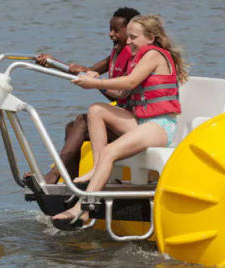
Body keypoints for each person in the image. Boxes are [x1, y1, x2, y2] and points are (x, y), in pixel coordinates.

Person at [52, 14, 189, 228]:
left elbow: (131, 81)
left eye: (133, 37)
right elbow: (123, 92)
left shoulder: (153, 55)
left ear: (151, 38)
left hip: (160, 125)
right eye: (129, 37)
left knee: (110, 151)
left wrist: (95, 84)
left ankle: (83, 208)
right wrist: (94, 79)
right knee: (96, 110)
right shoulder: (141, 56)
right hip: (141, 121)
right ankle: (98, 168)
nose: (128, 41)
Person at [26, 7, 140, 184]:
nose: (110, 34)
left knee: (82, 121)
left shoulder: (136, 57)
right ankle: (71, 185)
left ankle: (53, 176)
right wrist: (52, 62)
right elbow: (85, 73)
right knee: (71, 128)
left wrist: (94, 81)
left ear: (132, 31)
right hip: (120, 117)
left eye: (116, 30)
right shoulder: (115, 56)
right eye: (109, 29)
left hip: (134, 123)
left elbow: (117, 93)